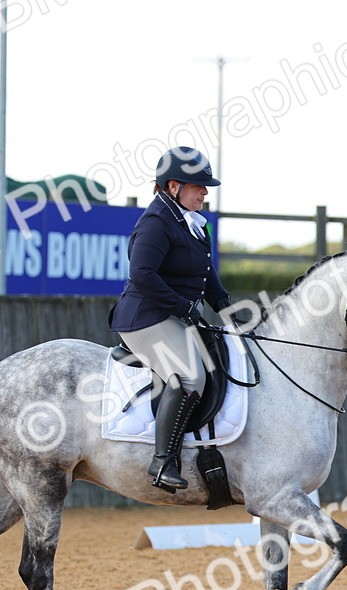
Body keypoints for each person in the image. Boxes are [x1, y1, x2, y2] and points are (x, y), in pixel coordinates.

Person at [109, 146, 235, 492]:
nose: (205, 192)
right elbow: (143, 274)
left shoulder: (193, 223)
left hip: (173, 314)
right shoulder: (156, 223)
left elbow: (207, 274)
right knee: (190, 375)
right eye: (199, 186)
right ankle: (163, 462)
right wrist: (183, 306)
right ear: (174, 186)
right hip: (145, 316)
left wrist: (224, 304)